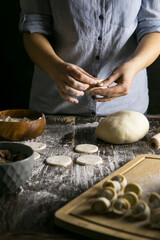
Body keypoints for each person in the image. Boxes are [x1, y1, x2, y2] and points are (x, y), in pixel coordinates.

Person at [19, 0, 160, 116]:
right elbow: (33, 27)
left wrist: (134, 66)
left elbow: (154, 27)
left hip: (126, 109)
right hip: (56, 105)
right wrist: (55, 68)